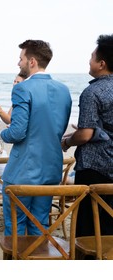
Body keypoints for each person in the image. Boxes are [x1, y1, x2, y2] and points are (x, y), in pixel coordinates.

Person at [0, 40, 72, 236]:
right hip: (50, 169)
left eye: (21, 58)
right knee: (40, 225)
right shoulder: (64, 90)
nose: (18, 63)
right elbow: (57, 128)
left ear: (32, 61)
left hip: (23, 170)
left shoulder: (22, 88)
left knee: (15, 225)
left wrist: (3, 133)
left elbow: (17, 132)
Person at [61, 34, 113, 238]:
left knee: (88, 225)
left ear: (101, 63)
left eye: (91, 57)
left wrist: (67, 141)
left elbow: (85, 135)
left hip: (95, 166)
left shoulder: (93, 92)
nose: (88, 61)